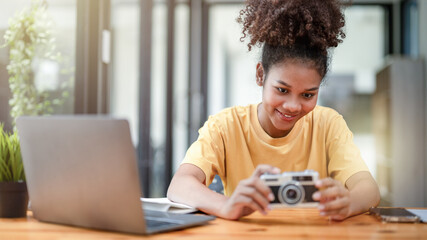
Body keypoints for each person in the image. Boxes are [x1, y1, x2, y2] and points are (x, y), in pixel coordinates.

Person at [167, 0, 380, 221]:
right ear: (260, 75)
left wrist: (349, 203)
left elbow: (369, 189)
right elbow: (180, 185)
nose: (293, 106)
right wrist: (226, 205)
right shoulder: (225, 126)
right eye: (282, 89)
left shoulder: (328, 124)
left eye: (308, 95)